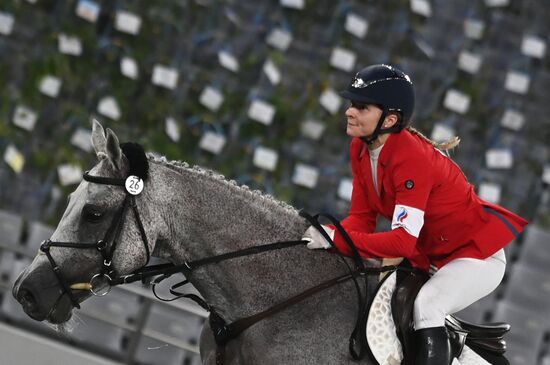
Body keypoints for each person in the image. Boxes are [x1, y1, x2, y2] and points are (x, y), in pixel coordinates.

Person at [302, 64, 528, 364]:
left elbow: (401, 243)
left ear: (390, 119)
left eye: (360, 107)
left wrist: (337, 241)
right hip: (431, 255)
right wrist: (330, 237)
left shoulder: (412, 158)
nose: (349, 112)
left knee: (428, 307)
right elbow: (362, 218)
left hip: (475, 257)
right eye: (350, 104)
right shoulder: (360, 148)